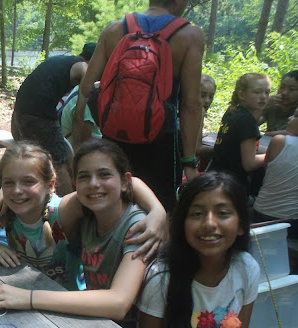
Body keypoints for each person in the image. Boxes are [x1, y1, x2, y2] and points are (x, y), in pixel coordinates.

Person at [0, 140, 162, 324]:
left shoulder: (136, 225)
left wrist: (158, 211)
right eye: (84, 176)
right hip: (79, 315)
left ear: (50, 184)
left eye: (104, 175)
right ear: (75, 182)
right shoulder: (89, 210)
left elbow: (118, 303)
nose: (93, 184)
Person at [137, 172, 276, 328]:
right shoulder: (161, 277)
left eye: (223, 213)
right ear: (182, 223)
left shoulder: (246, 269)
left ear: (241, 224)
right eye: (197, 213)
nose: (209, 223)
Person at [73, 0, 204, 212]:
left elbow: (87, 87)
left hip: (115, 138)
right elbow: (191, 105)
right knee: (158, 210)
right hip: (161, 141)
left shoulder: (114, 30)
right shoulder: (190, 35)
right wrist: (189, 162)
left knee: (113, 202)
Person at [11, 43, 95, 195]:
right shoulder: (84, 68)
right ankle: (68, 204)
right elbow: (79, 115)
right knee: (59, 161)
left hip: (18, 113)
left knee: (33, 156)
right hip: (39, 115)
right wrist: (77, 150)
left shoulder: (63, 61)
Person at [208, 73, 271, 189]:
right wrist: (273, 153)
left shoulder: (232, 112)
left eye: (267, 92)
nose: (263, 97)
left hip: (215, 176)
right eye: (257, 92)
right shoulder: (247, 121)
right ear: (241, 94)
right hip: (232, 183)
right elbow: (249, 164)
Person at [253, 103, 298, 238]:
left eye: (296, 116)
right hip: (292, 223)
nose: (290, 118)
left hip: (261, 214)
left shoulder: (279, 141)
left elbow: (267, 168)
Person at [260, 70, 298, 136]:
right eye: (282, 87)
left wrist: (265, 134)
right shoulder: (273, 104)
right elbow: (255, 122)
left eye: (292, 89)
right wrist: (264, 105)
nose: (284, 92)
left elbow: (293, 132)